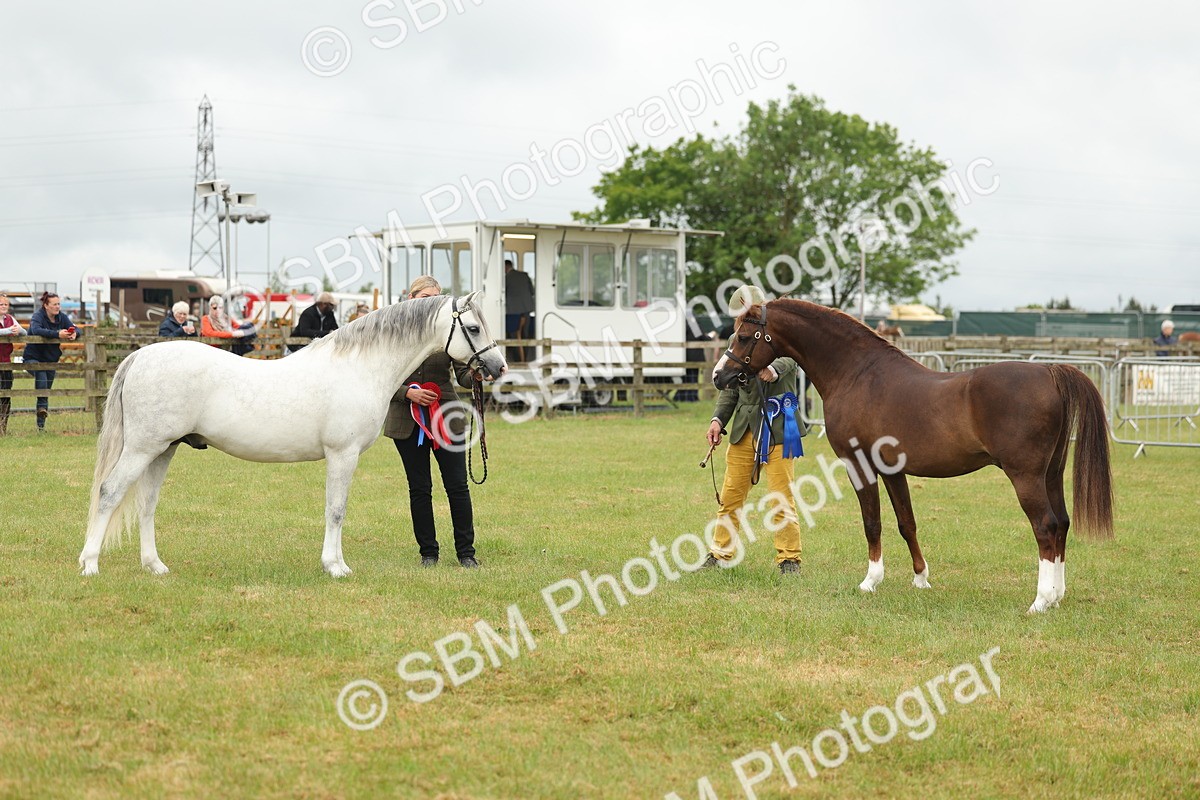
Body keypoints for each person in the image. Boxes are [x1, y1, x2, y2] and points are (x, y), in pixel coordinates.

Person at [701, 285, 806, 575]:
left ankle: (789, 559)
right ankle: (720, 553)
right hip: (743, 429)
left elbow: (793, 358)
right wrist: (717, 421)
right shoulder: (739, 340)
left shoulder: (783, 339)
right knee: (731, 496)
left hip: (778, 427)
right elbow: (729, 390)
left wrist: (774, 368)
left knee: (781, 497)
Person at [384, 276, 480, 569]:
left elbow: (462, 371)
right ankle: (428, 552)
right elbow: (380, 379)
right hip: (406, 420)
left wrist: (474, 374)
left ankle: (466, 552)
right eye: (425, 295)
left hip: (446, 416)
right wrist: (407, 392)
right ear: (411, 297)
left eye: (437, 296)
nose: (431, 300)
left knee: (457, 486)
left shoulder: (446, 329)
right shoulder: (393, 332)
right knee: (419, 488)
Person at [25, 291, 76, 432]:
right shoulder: (38, 316)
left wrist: (74, 333)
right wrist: (57, 334)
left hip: (51, 359)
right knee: (40, 374)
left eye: (59, 304)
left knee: (46, 389)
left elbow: (75, 327)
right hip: (32, 358)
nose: (57, 307)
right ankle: (41, 411)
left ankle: (41, 427)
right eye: (54, 304)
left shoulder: (61, 318)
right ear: (46, 305)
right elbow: (35, 330)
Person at [0, 293, 28, 435]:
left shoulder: (10, 319)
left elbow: (24, 332)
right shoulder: (6, 325)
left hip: (6, 362)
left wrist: (18, 330)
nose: (3, 307)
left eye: (6, 304)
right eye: (1, 304)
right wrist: (8, 331)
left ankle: (3, 426)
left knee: (6, 394)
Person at [504, 259, 535, 362]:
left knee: (514, 338)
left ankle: (517, 361)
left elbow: (504, 294)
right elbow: (532, 291)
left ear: (505, 267)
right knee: (525, 336)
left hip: (512, 311)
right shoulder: (525, 275)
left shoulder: (506, 278)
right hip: (526, 310)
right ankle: (525, 359)